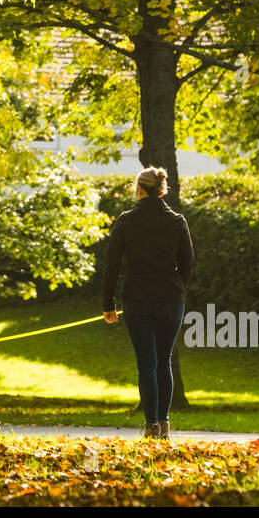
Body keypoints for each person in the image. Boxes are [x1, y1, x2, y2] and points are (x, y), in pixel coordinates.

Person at [101, 166, 195, 440]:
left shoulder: (127, 220)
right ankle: (164, 424)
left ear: (139, 189)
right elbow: (188, 264)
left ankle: (151, 425)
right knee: (164, 360)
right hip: (170, 300)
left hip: (137, 299)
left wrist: (108, 304)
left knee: (146, 363)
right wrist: (176, 287)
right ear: (163, 190)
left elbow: (112, 265)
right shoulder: (177, 221)